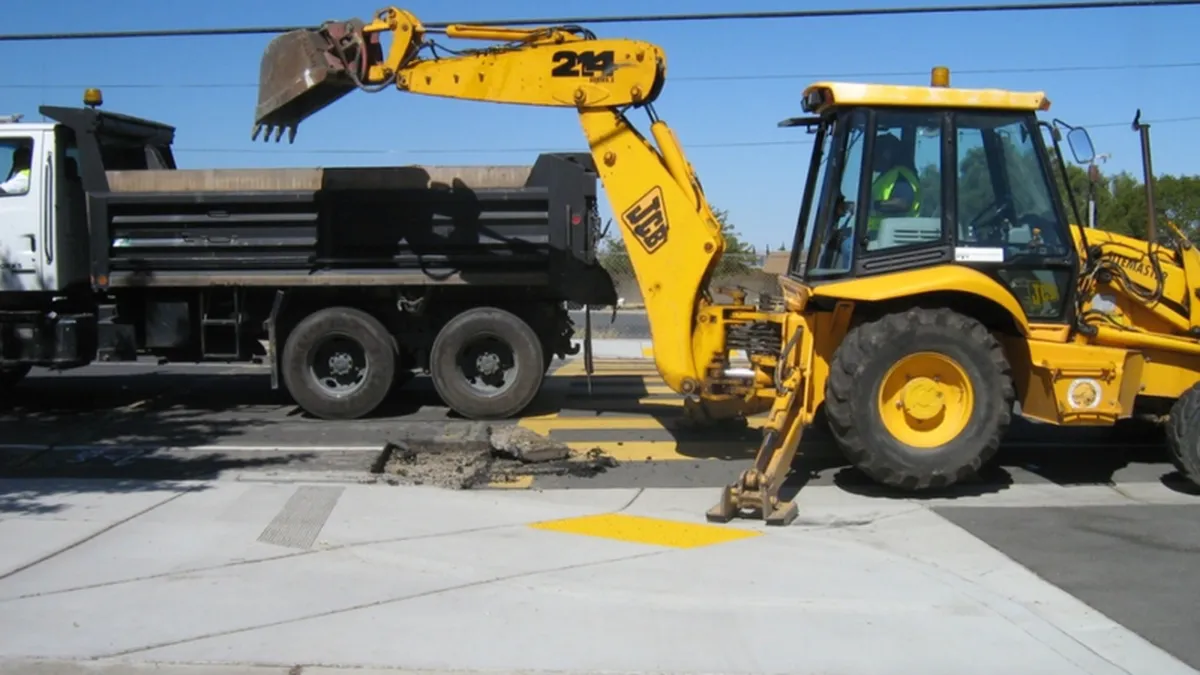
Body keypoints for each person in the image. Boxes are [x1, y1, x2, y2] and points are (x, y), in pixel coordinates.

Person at [866, 133, 921, 239]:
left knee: (846, 246)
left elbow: (902, 204)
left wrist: (872, 206)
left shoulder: (901, 176)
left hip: (892, 236)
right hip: (880, 233)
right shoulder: (886, 177)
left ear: (886, 154)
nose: (871, 159)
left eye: (874, 154)